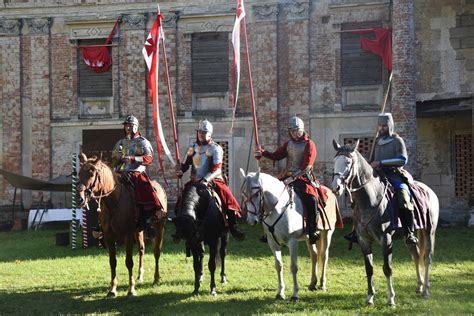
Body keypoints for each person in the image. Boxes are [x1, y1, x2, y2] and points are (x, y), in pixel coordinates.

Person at [254, 115, 321, 244]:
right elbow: (276, 155)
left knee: (311, 199)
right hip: (287, 176)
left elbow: (307, 166)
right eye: (291, 130)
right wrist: (262, 153)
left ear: (301, 130)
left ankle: (312, 230)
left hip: (303, 178)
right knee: (269, 197)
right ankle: (267, 230)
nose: (293, 133)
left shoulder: (309, 144)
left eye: (295, 130)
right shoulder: (289, 144)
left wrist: (293, 178)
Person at [175, 119, 245, 241]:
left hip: (212, 179)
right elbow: (185, 164)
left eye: (204, 132)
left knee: (226, 196)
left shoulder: (215, 148)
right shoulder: (192, 148)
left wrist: (206, 179)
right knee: (182, 199)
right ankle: (180, 228)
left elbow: (217, 170)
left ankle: (233, 224)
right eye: (199, 132)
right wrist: (180, 170)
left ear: (209, 134)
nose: (201, 134)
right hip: (195, 181)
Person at [369, 112, 418, 245]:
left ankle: (409, 232)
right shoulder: (376, 142)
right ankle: (358, 231)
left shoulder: (397, 141)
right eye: (380, 125)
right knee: (363, 195)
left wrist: (381, 163)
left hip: (393, 174)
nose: (382, 128)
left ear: (390, 125)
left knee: (403, 195)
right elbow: (371, 160)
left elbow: (403, 159)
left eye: (384, 125)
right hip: (377, 175)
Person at [110, 115, 163, 229]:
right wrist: (117, 158)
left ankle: (148, 216)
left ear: (136, 127)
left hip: (135, 172)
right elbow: (113, 159)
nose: (128, 128)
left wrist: (133, 158)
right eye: (126, 126)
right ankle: (104, 221)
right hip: (120, 172)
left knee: (143, 187)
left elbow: (149, 158)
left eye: (130, 125)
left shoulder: (142, 142)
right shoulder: (120, 142)